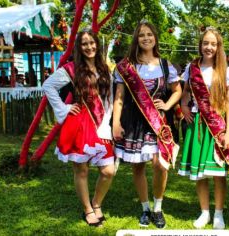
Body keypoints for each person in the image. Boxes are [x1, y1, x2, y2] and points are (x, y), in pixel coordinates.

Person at [43, 30, 117, 227]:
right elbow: (48, 86)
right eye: (84, 44)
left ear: (97, 44)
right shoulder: (71, 68)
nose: (89, 47)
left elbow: (108, 99)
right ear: (79, 47)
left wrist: (107, 125)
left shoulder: (104, 68)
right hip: (80, 122)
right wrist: (64, 108)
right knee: (81, 170)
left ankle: (96, 203)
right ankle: (87, 210)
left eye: (92, 43)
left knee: (109, 170)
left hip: (101, 123)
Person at [112, 21, 181, 229]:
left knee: (160, 165)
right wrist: (116, 123)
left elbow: (177, 90)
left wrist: (167, 104)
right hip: (134, 121)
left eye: (149, 34)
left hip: (158, 122)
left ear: (155, 38)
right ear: (136, 39)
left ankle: (158, 207)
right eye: (141, 35)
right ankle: (145, 208)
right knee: (138, 166)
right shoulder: (126, 66)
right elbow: (119, 97)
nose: (146, 38)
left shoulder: (165, 65)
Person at [178, 28, 229, 229]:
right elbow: (185, 92)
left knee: (218, 174)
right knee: (200, 175)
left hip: (217, 126)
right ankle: (205, 213)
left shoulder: (225, 70)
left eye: (213, 44)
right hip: (197, 126)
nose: (209, 47)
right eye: (205, 43)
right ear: (200, 45)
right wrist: (184, 106)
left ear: (218, 46)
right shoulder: (191, 67)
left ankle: (218, 213)